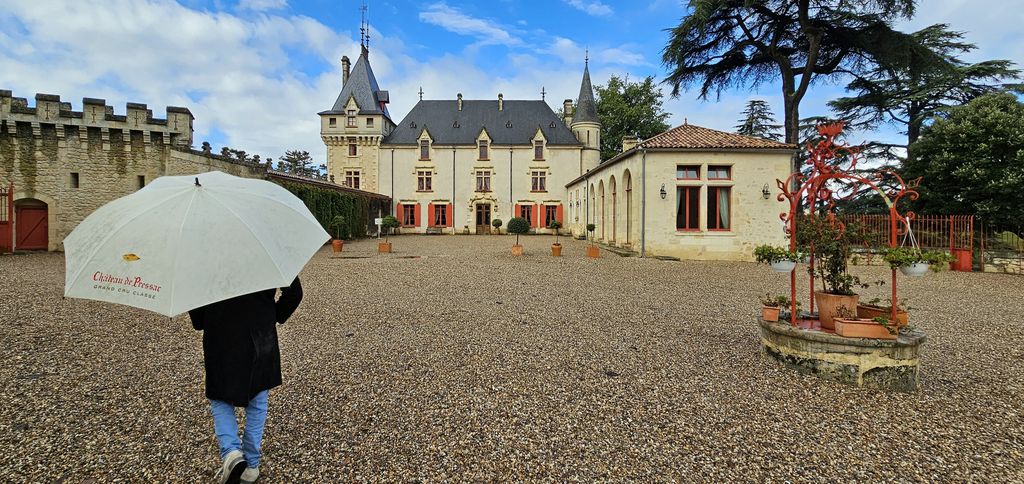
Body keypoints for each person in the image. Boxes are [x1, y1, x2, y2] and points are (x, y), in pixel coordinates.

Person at [188, 277, 302, 484]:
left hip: (220, 337)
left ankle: (231, 452)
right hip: (260, 336)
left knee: (220, 397)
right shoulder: (268, 248)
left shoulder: (205, 255)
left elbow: (197, 318)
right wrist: (271, 315)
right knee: (258, 399)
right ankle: (251, 465)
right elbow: (294, 294)